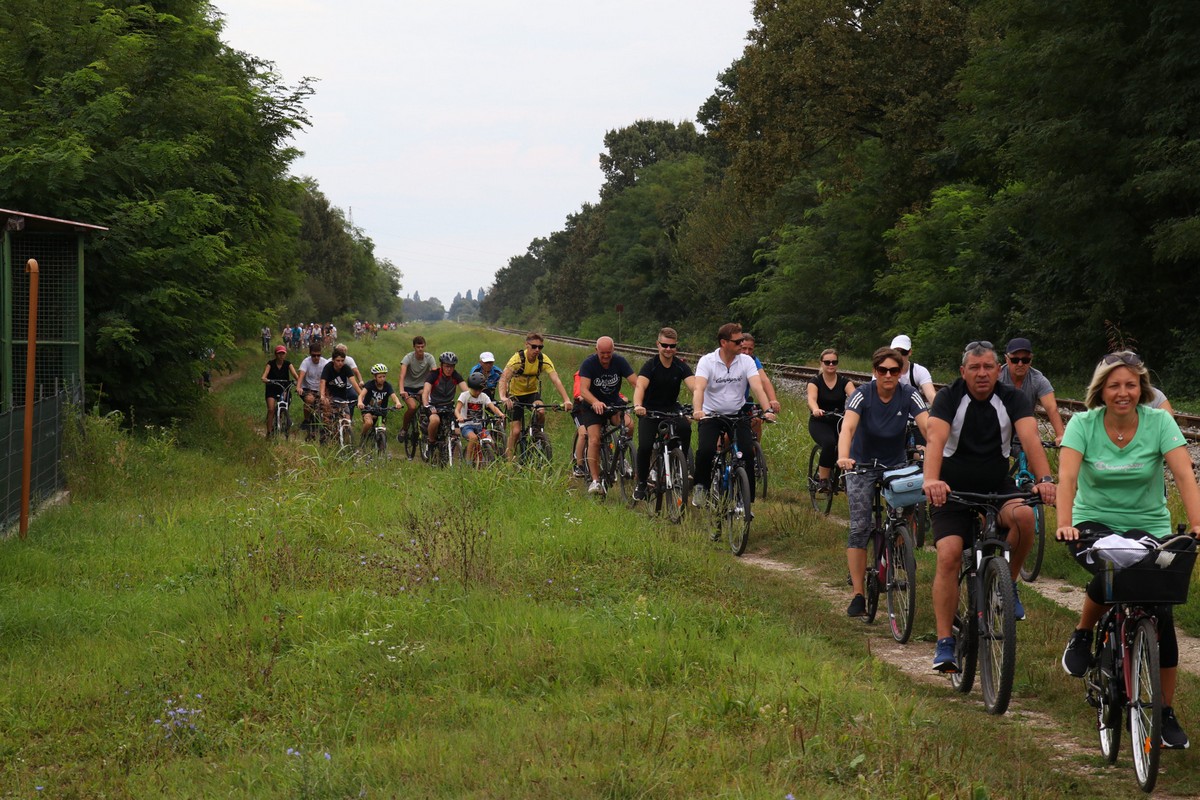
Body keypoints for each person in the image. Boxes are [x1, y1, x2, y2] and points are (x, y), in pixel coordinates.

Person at [1056, 351, 1200, 749]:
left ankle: (1164, 711)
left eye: (1131, 385)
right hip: (1091, 523)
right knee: (1110, 578)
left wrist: (1197, 521)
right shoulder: (1083, 425)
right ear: (1101, 390)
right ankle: (1084, 634)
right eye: (1114, 385)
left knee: (1162, 611)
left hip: (1147, 526)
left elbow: (1185, 473)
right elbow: (1067, 478)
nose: (1123, 393)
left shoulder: (1159, 422)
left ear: (1143, 389)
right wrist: (1064, 523)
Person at [923, 341, 1056, 672]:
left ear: (999, 370)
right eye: (974, 367)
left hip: (996, 486)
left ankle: (1005, 589)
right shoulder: (949, 397)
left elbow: (1030, 439)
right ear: (963, 371)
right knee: (950, 554)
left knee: (1025, 516)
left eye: (988, 367)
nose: (982, 373)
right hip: (951, 490)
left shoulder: (1011, 398)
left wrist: (1045, 478)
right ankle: (944, 643)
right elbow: (935, 441)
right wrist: (931, 481)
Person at [837, 347, 929, 615]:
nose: (888, 375)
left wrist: (937, 449)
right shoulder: (861, 395)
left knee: (908, 507)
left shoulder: (909, 394)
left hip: (896, 464)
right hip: (861, 464)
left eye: (894, 370)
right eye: (882, 370)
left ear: (901, 372)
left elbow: (926, 425)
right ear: (874, 371)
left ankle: (898, 547)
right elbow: (849, 428)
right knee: (860, 526)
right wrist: (844, 457)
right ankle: (857, 594)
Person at [691, 323, 776, 507]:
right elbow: (699, 388)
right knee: (706, 451)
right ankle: (700, 487)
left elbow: (757, 386)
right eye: (737, 341)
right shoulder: (707, 361)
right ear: (724, 342)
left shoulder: (746, 361)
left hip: (737, 414)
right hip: (711, 415)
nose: (741, 344)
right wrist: (698, 410)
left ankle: (746, 501)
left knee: (746, 452)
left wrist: (767, 409)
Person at [632, 328, 697, 501]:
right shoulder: (650, 366)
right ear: (658, 345)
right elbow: (640, 387)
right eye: (664, 345)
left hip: (671, 409)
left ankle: (680, 464)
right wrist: (638, 405)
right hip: (650, 410)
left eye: (672, 346)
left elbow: (695, 387)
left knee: (685, 427)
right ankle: (642, 483)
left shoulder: (680, 366)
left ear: (676, 346)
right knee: (645, 446)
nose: (668, 349)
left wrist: (698, 408)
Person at [497, 332, 573, 459]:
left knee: (541, 411)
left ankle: (537, 433)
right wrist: (503, 397)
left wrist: (566, 400)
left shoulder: (543, 360)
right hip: (514, 396)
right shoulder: (517, 359)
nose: (537, 350)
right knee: (515, 431)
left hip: (532, 394)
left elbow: (556, 380)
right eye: (534, 346)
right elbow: (503, 379)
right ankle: (509, 461)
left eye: (540, 347)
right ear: (527, 345)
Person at [578, 336, 637, 494]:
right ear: (596, 350)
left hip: (613, 404)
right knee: (595, 440)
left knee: (629, 426)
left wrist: (642, 399)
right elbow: (583, 389)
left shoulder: (619, 361)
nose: (605, 356)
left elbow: (635, 382)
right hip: (592, 406)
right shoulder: (588, 364)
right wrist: (595, 401)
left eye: (609, 353)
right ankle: (595, 481)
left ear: (613, 350)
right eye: (602, 353)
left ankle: (621, 458)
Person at [998, 337, 1066, 445]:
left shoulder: (1038, 380)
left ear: (1031, 359)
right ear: (1006, 359)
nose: (1020, 364)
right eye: (1015, 360)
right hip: (997, 430)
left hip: (1024, 431)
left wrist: (1061, 435)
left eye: (1025, 360)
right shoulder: (996, 378)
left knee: (1031, 456)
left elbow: (1051, 408)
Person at [807, 347, 855, 491]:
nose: (831, 365)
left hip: (840, 420)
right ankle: (823, 480)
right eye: (827, 362)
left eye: (834, 362)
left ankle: (849, 478)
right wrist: (815, 409)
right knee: (829, 443)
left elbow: (855, 396)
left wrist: (857, 410)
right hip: (820, 421)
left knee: (853, 443)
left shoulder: (844, 381)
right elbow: (811, 399)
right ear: (821, 363)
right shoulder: (815, 381)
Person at [739, 334, 783, 440]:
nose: (747, 352)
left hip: (743, 402)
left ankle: (755, 454)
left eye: (750, 349)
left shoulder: (753, 360)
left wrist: (773, 400)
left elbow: (764, 380)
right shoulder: (731, 359)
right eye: (743, 348)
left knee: (757, 421)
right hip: (724, 404)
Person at [457, 372, 504, 464]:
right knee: (473, 438)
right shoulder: (464, 395)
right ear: (470, 388)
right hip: (466, 426)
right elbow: (457, 410)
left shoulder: (484, 396)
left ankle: (490, 460)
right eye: (475, 390)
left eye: (480, 390)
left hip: (479, 426)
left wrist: (500, 414)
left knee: (491, 442)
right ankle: (468, 462)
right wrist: (459, 417)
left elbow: (493, 407)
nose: (478, 392)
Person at [422, 352, 467, 446]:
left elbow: (466, 391)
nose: (449, 369)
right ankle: (431, 442)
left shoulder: (455, 375)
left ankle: (453, 454)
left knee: (457, 432)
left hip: (449, 405)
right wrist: (427, 405)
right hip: (433, 405)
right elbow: (425, 392)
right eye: (447, 366)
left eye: (452, 366)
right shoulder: (434, 374)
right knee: (435, 421)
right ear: (441, 365)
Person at [398, 336, 438, 444]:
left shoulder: (429, 358)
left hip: (422, 387)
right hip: (408, 387)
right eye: (418, 347)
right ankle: (404, 429)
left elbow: (435, 374)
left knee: (427, 405)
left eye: (422, 346)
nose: (420, 349)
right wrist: (402, 390)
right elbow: (402, 375)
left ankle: (427, 427)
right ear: (414, 347)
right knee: (412, 407)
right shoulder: (408, 358)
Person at [319, 351, 362, 440]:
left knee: (347, 420)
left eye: (342, 360)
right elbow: (323, 381)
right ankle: (325, 437)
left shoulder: (346, 368)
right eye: (338, 360)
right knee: (328, 420)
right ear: (333, 360)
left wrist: (361, 396)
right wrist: (322, 396)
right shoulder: (328, 367)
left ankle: (347, 442)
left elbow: (354, 382)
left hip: (342, 398)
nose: (340, 363)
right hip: (330, 396)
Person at [358, 363, 402, 441]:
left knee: (382, 428)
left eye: (384, 376)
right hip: (368, 409)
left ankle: (381, 446)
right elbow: (361, 395)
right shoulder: (370, 384)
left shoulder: (387, 386)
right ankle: (363, 438)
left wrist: (397, 403)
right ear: (375, 377)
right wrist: (360, 402)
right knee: (369, 423)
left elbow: (394, 396)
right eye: (380, 377)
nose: (382, 379)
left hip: (381, 411)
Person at [261, 345, 299, 435]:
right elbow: (264, 376)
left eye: (283, 353)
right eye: (279, 353)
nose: (281, 355)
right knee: (271, 409)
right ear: (275, 354)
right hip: (272, 388)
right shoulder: (270, 364)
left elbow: (294, 374)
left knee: (284, 405)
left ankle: (281, 418)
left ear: (285, 354)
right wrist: (266, 380)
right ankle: (269, 432)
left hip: (284, 388)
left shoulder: (288, 364)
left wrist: (298, 381)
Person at [890, 334, 937, 405]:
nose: (899, 355)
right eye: (895, 352)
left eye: (903, 352)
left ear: (910, 352)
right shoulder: (881, 370)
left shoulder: (920, 371)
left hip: (913, 414)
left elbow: (931, 396)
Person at [295, 343, 329, 441]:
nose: (316, 358)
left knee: (325, 405)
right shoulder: (306, 362)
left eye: (318, 355)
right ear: (310, 354)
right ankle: (306, 420)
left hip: (320, 389)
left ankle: (325, 428)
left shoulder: (325, 363)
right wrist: (298, 387)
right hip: (307, 388)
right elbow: (301, 375)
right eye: (313, 355)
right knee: (310, 400)